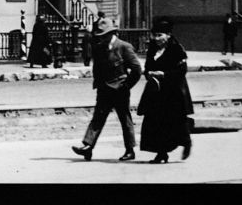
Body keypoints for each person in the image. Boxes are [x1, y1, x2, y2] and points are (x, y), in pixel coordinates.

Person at [71, 17, 142, 162]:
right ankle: (88, 146)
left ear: (111, 34)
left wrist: (127, 85)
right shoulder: (99, 48)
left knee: (124, 119)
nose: (101, 39)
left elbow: (136, 69)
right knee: (98, 118)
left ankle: (130, 150)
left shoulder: (124, 47)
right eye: (100, 36)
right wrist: (98, 85)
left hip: (120, 89)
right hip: (104, 89)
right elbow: (97, 68)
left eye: (103, 36)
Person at [137, 16, 194, 163]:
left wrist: (165, 74)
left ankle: (186, 142)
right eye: (154, 35)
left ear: (168, 35)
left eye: (160, 35)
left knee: (174, 121)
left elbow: (182, 71)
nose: (156, 38)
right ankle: (161, 153)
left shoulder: (176, 49)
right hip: (156, 92)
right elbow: (147, 67)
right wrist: (148, 73)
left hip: (173, 91)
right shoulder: (152, 49)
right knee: (155, 122)